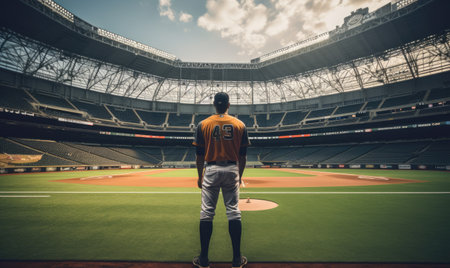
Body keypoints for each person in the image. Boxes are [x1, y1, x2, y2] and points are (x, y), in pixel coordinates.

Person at [192, 92, 249, 268]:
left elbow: (199, 155)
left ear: (215, 105)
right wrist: (240, 175)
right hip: (232, 168)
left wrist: (200, 175)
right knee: (233, 212)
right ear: (228, 105)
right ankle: (236, 260)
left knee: (207, 213)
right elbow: (243, 156)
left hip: (211, 168)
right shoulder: (240, 124)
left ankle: (203, 260)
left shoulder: (203, 124)